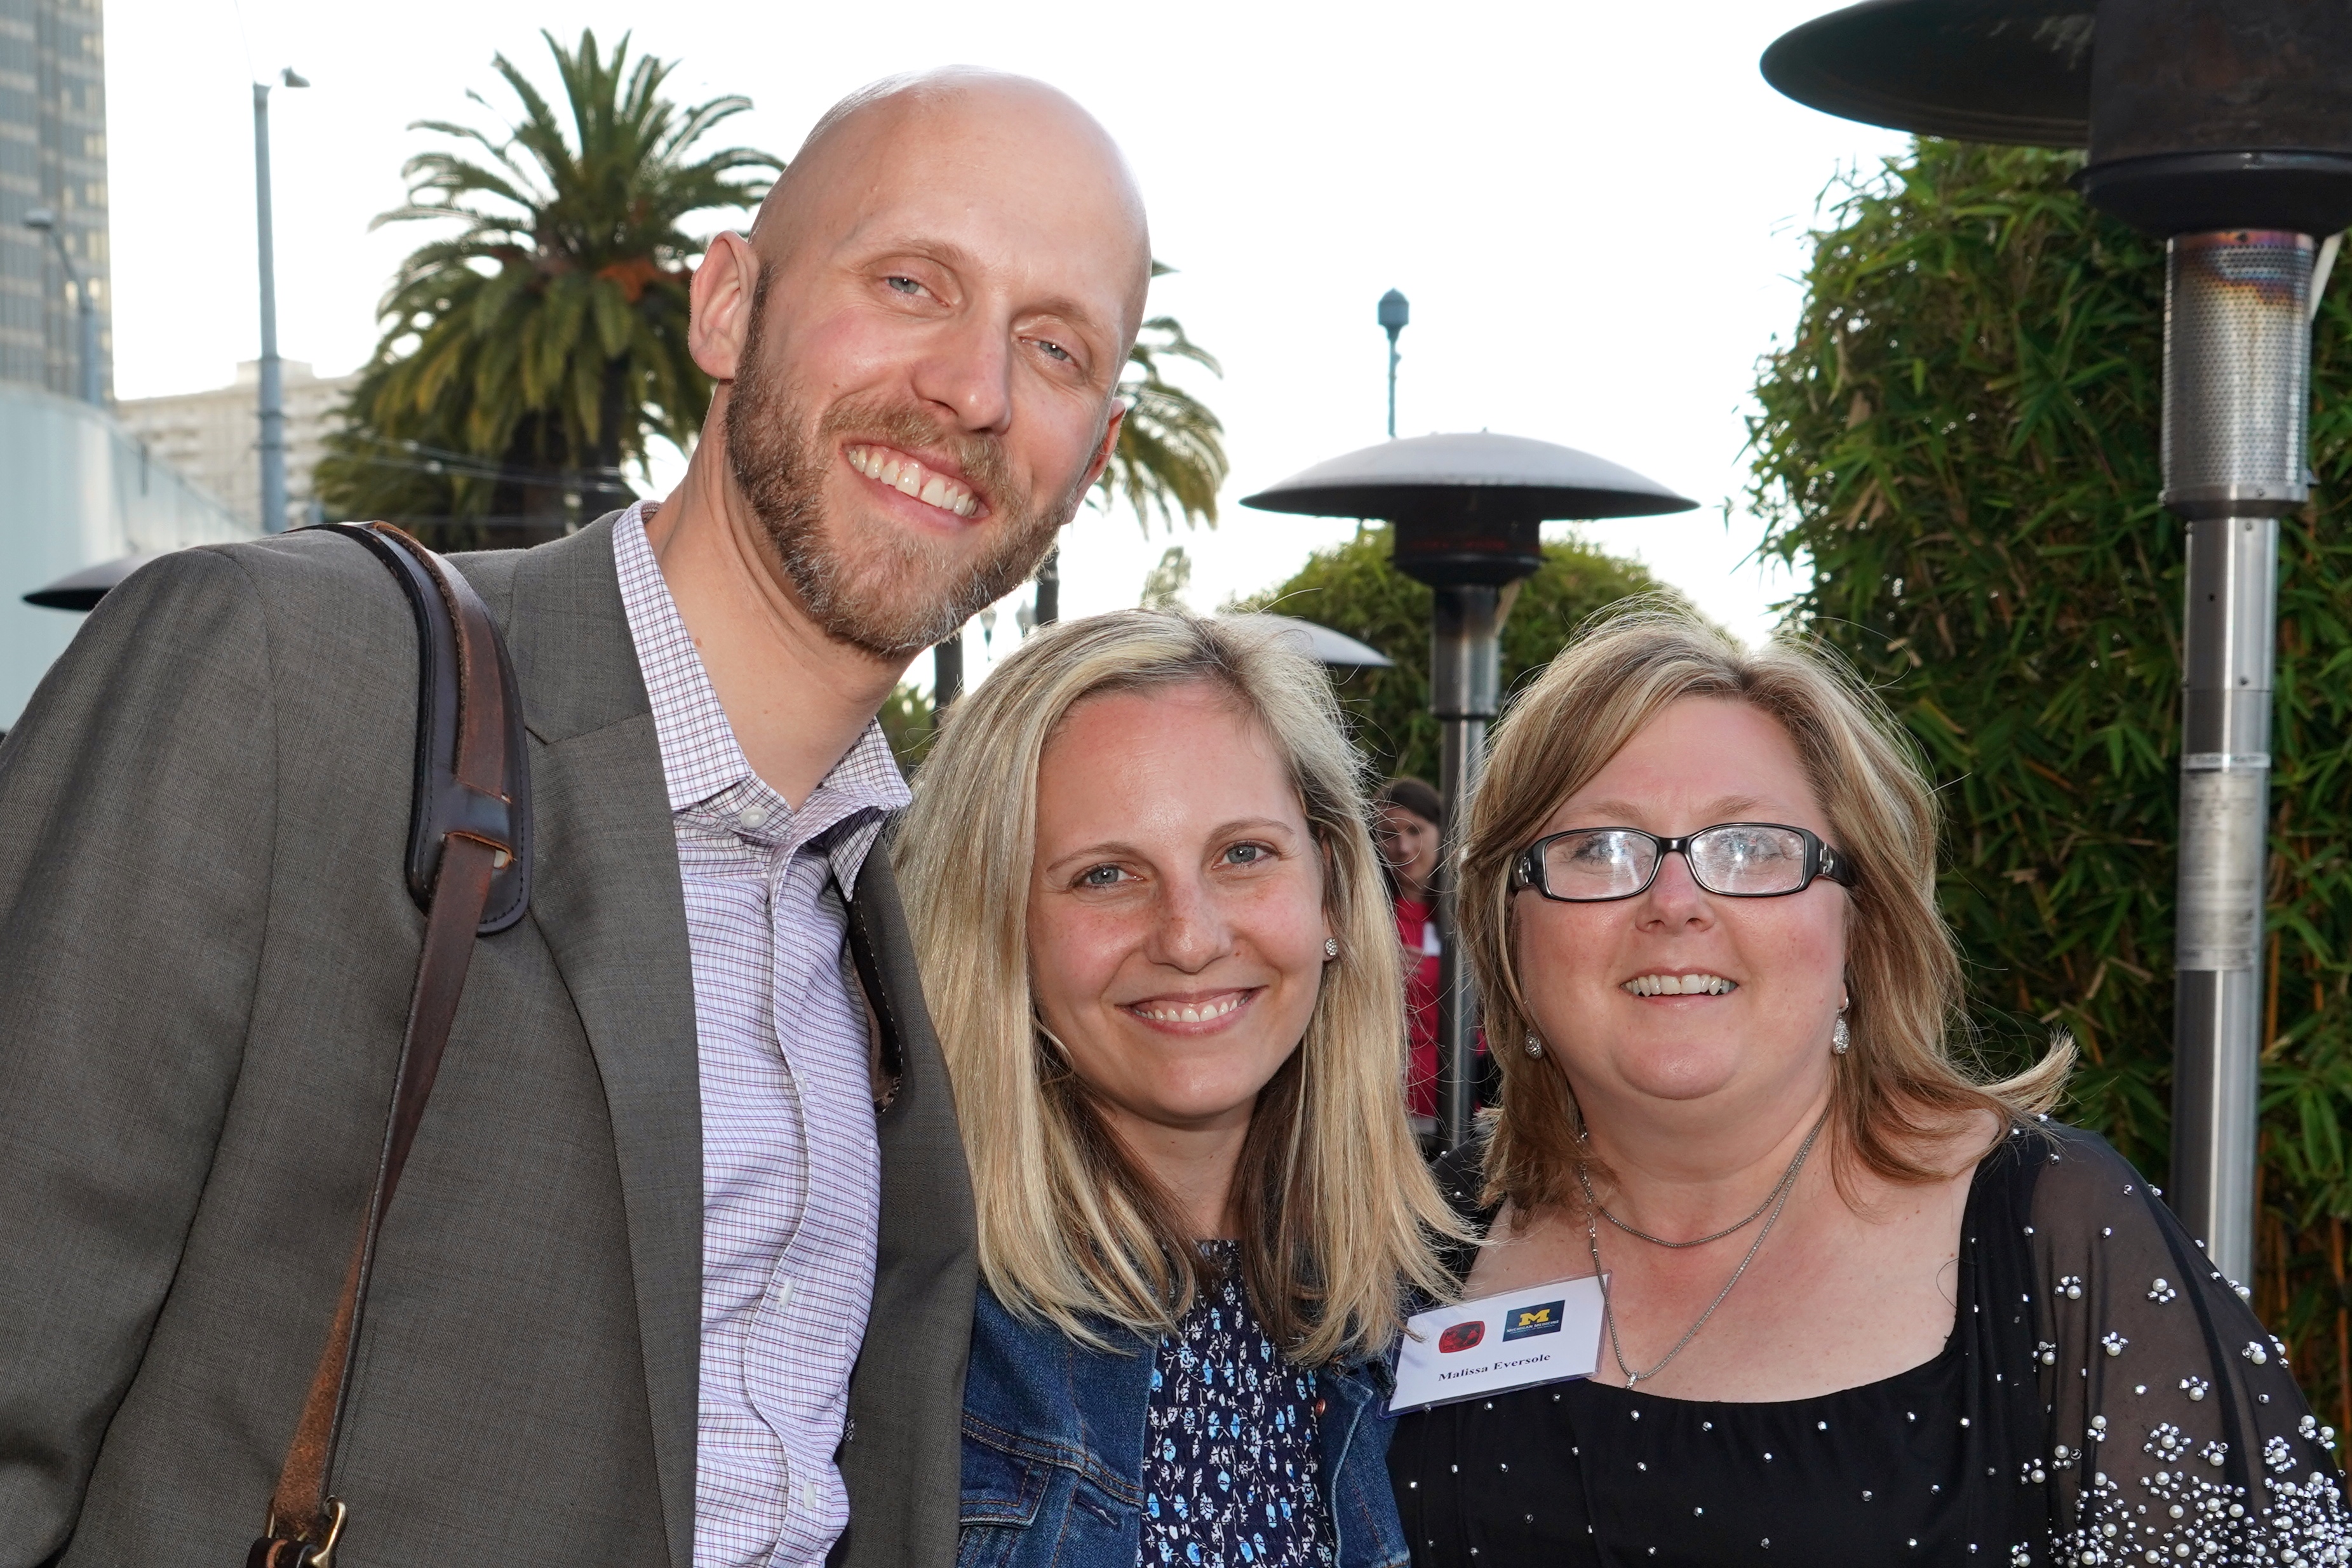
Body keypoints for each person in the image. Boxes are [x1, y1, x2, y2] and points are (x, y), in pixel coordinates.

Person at [0, 70, 1152, 1568]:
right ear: (728, 306)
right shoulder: (285, 681)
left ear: (1095, 453)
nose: (974, 388)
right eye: (911, 282)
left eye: (1054, 346)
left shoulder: (891, 918)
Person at [1385, 606, 2349, 1565]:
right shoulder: (1423, 1240)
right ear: (1510, 929)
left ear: (1860, 923)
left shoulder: (2049, 1232)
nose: (1674, 904)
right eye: (1597, 849)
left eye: (1750, 848)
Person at [896, 611, 1461, 1568]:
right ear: (996, 925)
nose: (1190, 938)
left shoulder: (1428, 1296)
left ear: (1328, 888)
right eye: (1105, 875)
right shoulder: (887, 1326)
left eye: (1242, 854)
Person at [1374, 777, 1445, 1131]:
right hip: (1385, 1115)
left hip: (1464, 1108)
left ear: (1441, 833)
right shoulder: (1363, 920)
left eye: (1415, 831)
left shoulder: (1474, 915)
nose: (1403, 848)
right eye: (1389, 835)